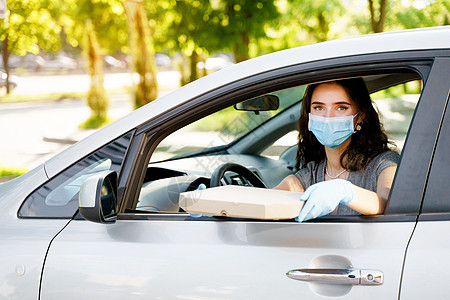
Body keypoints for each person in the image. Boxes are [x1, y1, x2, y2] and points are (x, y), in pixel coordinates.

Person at [275, 78, 399, 222]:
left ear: (360, 116)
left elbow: (388, 204)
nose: (328, 117)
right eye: (319, 108)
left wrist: (345, 191)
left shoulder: (384, 163)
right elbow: (267, 200)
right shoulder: (311, 173)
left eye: (341, 107)